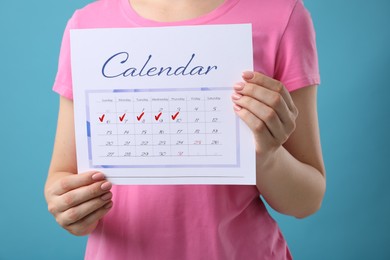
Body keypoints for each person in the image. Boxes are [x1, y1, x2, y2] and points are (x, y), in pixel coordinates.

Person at [44, 0, 326, 259]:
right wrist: (70, 206)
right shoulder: (87, 24)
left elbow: (306, 200)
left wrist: (268, 155)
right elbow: (61, 175)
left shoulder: (282, 15)